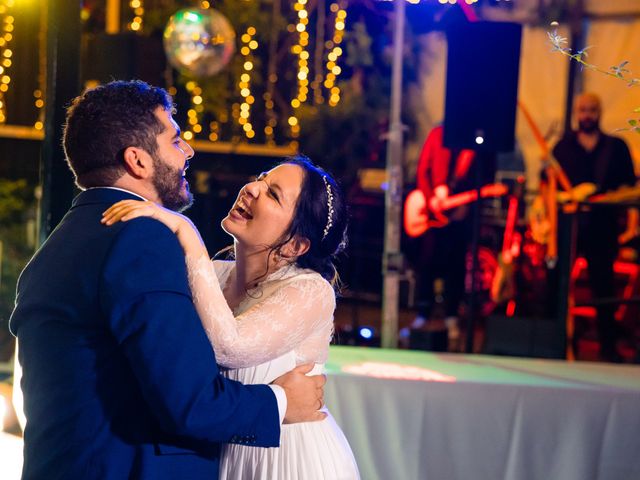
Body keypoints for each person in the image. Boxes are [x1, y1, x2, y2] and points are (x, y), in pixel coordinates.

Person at [9, 80, 325, 480]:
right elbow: (190, 402)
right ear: (138, 161)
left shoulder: (62, 241)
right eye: (175, 140)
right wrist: (281, 402)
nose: (189, 151)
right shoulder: (140, 239)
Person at [102, 155, 360, 479]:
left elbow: (229, 347)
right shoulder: (213, 274)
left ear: (296, 245)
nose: (251, 188)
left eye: (273, 194)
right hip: (222, 453)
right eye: (261, 178)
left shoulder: (310, 291)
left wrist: (186, 232)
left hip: (288, 462)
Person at [551, 92, 638, 362]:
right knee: (561, 287)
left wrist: (631, 224)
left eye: (592, 110)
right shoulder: (563, 147)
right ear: (577, 113)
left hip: (603, 228)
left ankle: (608, 347)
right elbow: (548, 186)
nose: (587, 115)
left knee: (604, 288)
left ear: (599, 112)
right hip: (571, 228)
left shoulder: (616, 147)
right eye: (582, 110)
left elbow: (629, 189)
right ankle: (559, 344)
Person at [407, 124, 478, 345]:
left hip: (457, 218)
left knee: (455, 267)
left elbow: (477, 179)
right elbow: (423, 168)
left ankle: (451, 316)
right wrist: (430, 199)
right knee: (426, 264)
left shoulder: (474, 141)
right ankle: (423, 312)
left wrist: (466, 207)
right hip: (432, 213)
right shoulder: (437, 133)